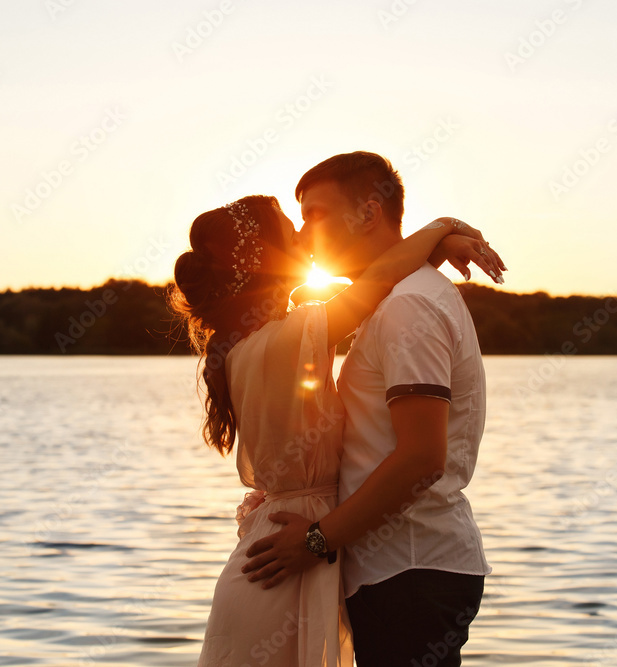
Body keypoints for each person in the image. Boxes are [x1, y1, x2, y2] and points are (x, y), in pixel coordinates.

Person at [171, 190, 502, 666]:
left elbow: (362, 285)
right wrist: (445, 226)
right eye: (293, 232)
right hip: (286, 558)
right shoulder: (282, 342)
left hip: (289, 548)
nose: (306, 240)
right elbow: (382, 278)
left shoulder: (256, 341)